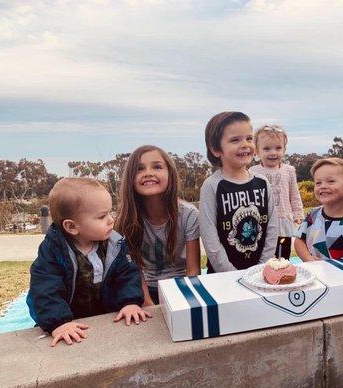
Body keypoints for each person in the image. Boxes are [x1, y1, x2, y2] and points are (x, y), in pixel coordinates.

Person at [27, 178, 150, 347]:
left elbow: (127, 274)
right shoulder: (54, 251)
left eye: (110, 212)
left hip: (105, 316)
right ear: (72, 226)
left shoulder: (114, 244)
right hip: (67, 318)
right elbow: (44, 289)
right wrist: (59, 323)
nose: (111, 220)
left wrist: (129, 302)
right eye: (102, 216)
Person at [116, 145, 200, 305]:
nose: (148, 173)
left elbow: (193, 271)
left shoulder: (189, 214)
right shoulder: (126, 218)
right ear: (130, 179)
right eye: (139, 169)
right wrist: (148, 303)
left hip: (182, 288)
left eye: (157, 167)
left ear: (170, 174)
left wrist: (186, 303)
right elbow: (135, 270)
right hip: (143, 290)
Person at [200, 111, 279, 273]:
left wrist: (262, 266)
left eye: (249, 138)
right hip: (223, 278)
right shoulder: (212, 186)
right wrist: (231, 274)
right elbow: (210, 238)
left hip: (261, 274)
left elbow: (273, 227)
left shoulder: (262, 182)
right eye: (235, 140)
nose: (245, 144)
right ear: (215, 149)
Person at [294, 158, 343, 262]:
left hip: (341, 277)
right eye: (318, 183)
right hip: (313, 275)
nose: (323, 186)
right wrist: (308, 259)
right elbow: (299, 241)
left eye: (331, 181)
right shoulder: (313, 216)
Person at [249, 125, 304, 259]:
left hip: (283, 218)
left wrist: (298, 214)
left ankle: (283, 270)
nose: (273, 153)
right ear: (257, 151)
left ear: (284, 150)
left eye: (278, 148)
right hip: (262, 221)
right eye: (267, 149)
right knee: (263, 252)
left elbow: (294, 194)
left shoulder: (289, 170)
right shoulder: (252, 172)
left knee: (282, 253)